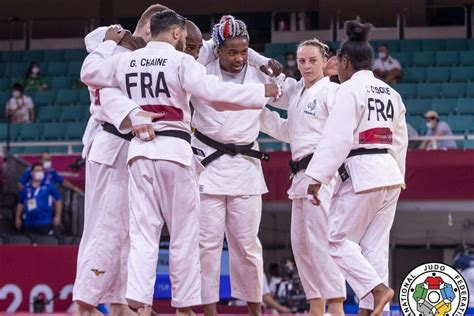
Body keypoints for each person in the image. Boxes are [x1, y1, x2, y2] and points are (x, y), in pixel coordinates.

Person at [80, 9, 281, 316]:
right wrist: (259, 91)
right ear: (175, 33)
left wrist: (108, 44)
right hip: (174, 150)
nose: (187, 42)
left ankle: (139, 300)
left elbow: (89, 73)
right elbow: (214, 94)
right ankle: (185, 306)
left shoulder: (124, 60)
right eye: (184, 37)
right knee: (184, 235)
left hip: (139, 152)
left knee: (143, 234)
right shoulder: (181, 61)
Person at [305, 19, 408, 316]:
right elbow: (400, 142)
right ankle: (372, 310)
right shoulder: (391, 93)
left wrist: (317, 177)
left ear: (346, 61)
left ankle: (378, 291)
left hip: (361, 170)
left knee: (337, 240)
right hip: (389, 171)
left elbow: (336, 139)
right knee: (373, 248)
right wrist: (397, 174)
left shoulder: (349, 90)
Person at [72, 4, 170, 316]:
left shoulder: (142, 59)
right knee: (106, 228)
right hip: (112, 145)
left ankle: (122, 304)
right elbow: (94, 45)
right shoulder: (113, 51)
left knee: (134, 230)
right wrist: (113, 40)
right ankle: (84, 304)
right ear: (146, 31)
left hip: (137, 149)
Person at [191, 15, 279, 316]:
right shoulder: (200, 72)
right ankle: (209, 310)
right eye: (232, 52)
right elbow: (200, 47)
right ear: (217, 51)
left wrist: (261, 60)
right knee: (206, 245)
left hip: (245, 167)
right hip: (208, 165)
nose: (239, 58)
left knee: (246, 245)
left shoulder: (261, 74)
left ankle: (256, 308)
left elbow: (281, 98)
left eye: (244, 51)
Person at [260, 38, 346, 316]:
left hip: (321, 175)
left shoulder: (332, 92)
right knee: (301, 246)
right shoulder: (297, 95)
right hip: (298, 176)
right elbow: (289, 133)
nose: (306, 66)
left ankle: (337, 307)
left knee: (322, 243)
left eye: (312, 60)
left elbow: (341, 136)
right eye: (301, 61)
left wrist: (325, 174)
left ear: (326, 62)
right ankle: (316, 306)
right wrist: (258, 114)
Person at [15, 162, 63, 235]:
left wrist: (57, 216)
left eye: (41, 170)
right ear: (32, 173)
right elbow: (20, 203)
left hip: (45, 221)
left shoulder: (49, 186)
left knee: (45, 243)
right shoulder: (26, 188)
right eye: (37, 170)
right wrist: (17, 218)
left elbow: (58, 200)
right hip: (28, 222)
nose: (39, 172)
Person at [18, 153, 83, 193]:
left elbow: (63, 181)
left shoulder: (52, 172)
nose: (48, 162)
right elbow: (20, 184)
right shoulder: (30, 171)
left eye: (49, 160)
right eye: (46, 160)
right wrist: (28, 194)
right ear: (40, 160)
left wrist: (74, 188)